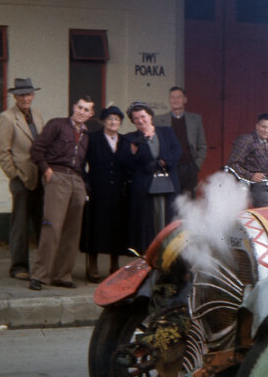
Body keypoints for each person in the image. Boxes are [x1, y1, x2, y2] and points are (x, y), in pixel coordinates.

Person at [28, 95, 95, 290]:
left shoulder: (87, 135)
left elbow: (84, 162)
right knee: (52, 226)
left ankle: (61, 274)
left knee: (72, 230)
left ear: (90, 114)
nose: (82, 112)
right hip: (57, 176)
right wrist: (46, 171)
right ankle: (40, 275)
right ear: (74, 107)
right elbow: (37, 148)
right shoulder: (57, 124)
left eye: (86, 110)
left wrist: (84, 185)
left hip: (77, 180)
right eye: (80, 107)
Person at [0, 78, 45, 281]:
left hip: (40, 178)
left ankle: (43, 267)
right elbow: (1, 152)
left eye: (29, 94)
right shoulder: (6, 118)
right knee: (20, 226)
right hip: (22, 180)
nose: (26, 98)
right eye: (22, 94)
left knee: (43, 223)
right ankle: (19, 266)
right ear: (15, 96)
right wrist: (15, 175)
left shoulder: (38, 115)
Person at [80, 105, 130, 282]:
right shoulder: (92, 139)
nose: (113, 122)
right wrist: (86, 182)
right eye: (110, 119)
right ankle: (92, 267)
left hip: (117, 192)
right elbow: (81, 162)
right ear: (103, 121)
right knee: (95, 228)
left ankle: (114, 266)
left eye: (117, 119)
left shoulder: (125, 141)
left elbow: (128, 165)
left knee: (115, 229)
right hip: (97, 190)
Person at [125, 101, 182, 253]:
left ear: (150, 116)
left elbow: (177, 150)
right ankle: (149, 255)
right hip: (145, 186)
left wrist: (161, 161)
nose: (140, 120)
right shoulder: (130, 138)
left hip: (168, 183)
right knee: (148, 221)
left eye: (143, 116)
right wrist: (134, 149)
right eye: (136, 118)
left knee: (169, 217)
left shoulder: (166, 131)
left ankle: (168, 252)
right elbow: (127, 163)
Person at [154, 86, 207, 196]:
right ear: (169, 100)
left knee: (188, 203)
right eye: (172, 97)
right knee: (170, 202)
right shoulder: (159, 120)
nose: (175, 100)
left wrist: (196, 166)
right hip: (169, 167)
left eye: (179, 97)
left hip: (189, 167)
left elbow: (202, 145)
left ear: (185, 100)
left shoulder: (195, 119)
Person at [227, 113, 268, 207]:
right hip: (254, 186)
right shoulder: (246, 140)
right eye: (263, 127)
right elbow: (232, 163)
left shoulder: (266, 144)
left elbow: (258, 165)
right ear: (257, 126)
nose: (266, 130)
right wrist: (250, 175)